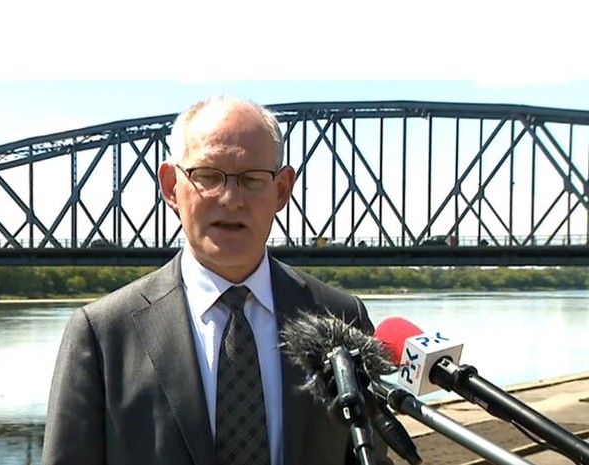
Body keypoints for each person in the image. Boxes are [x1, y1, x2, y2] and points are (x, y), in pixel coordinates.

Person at [42, 96, 393, 465]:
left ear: (282, 190)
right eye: (207, 176)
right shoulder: (102, 335)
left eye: (252, 179)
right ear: (171, 186)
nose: (230, 198)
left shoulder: (340, 318)